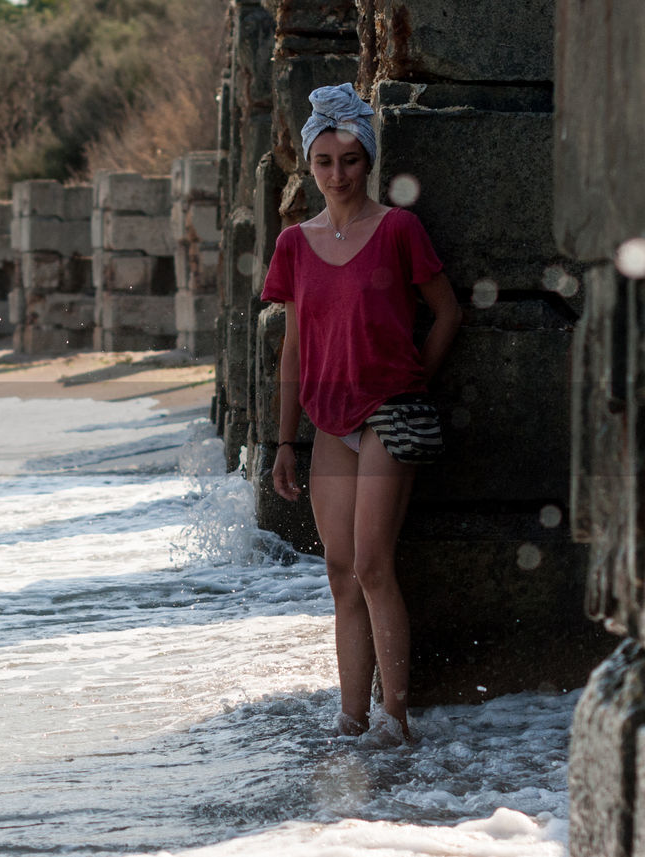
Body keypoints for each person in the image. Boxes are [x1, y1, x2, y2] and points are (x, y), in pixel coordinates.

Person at [260, 83, 462, 740]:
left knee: (374, 563)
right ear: (310, 165)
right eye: (324, 161)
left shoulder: (398, 228)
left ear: (367, 160)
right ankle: (350, 718)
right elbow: (292, 347)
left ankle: (394, 717)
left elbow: (448, 312)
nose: (338, 173)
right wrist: (283, 442)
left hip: (387, 417)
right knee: (340, 570)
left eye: (350, 160)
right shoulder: (294, 243)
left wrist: (411, 383)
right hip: (328, 424)